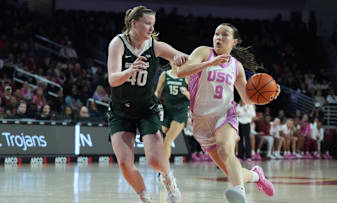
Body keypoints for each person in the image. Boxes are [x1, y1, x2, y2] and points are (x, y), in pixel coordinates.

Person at [176, 23, 279, 203]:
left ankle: (239, 193)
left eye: (224, 35)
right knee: (232, 172)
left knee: (226, 150)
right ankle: (256, 176)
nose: (218, 38)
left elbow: (247, 99)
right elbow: (181, 71)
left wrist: (269, 97)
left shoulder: (236, 66)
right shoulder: (203, 52)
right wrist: (211, 63)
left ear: (234, 42)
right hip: (201, 122)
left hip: (225, 114)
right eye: (216, 34)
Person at [107, 5, 187, 203]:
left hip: (146, 109)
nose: (152, 28)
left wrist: (179, 57)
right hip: (120, 110)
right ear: (134, 23)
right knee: (125, 163)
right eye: (148, 23)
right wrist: (129, 71)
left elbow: (183, 58)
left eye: (153, 24)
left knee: (154, 159)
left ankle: (169, 181)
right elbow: (113, 79)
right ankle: (144, 197)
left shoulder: (155, 46)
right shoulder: (118, 43)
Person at [155, 63, 190, 160]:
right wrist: (154, 99)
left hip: (180, 112)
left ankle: (164, 170)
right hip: (166, 111)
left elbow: (194, 98)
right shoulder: (164, 75)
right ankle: (161, 167)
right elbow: (157, 92)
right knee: (160, 139)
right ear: (170, 61)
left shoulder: (187, 76)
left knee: (168, 140)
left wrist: (186, 93)